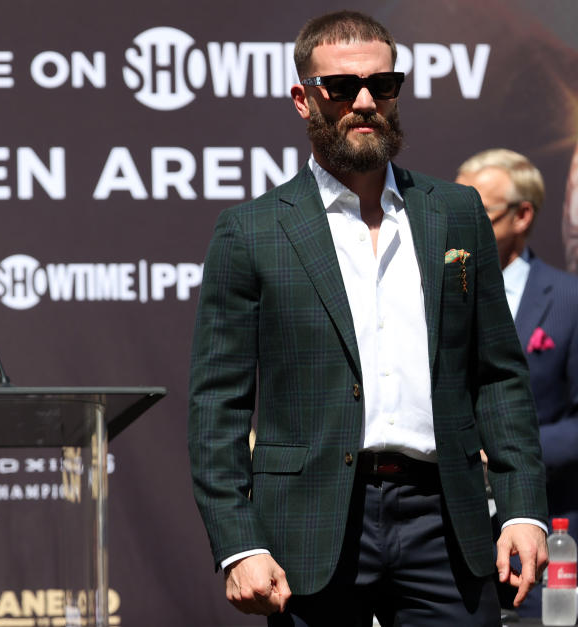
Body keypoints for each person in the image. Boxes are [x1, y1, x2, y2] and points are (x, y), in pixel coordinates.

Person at [188, 11, 548, 626]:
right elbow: (217, 405)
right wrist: (239, 542)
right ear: (303, 99)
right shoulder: (252, 231)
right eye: (341, 87)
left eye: (382, 86)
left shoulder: (457, 213)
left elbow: (498, 376)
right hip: (312, 523)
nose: (364, 102)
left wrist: (520, 509)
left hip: (447, 519)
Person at [458, 148, 578, 615]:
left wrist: (505, 455)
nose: (463, 228)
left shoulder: (568, 299)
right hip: (448, 544)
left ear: (522, 215)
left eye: (480, 214)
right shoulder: (435, 296)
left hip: (547, 531)